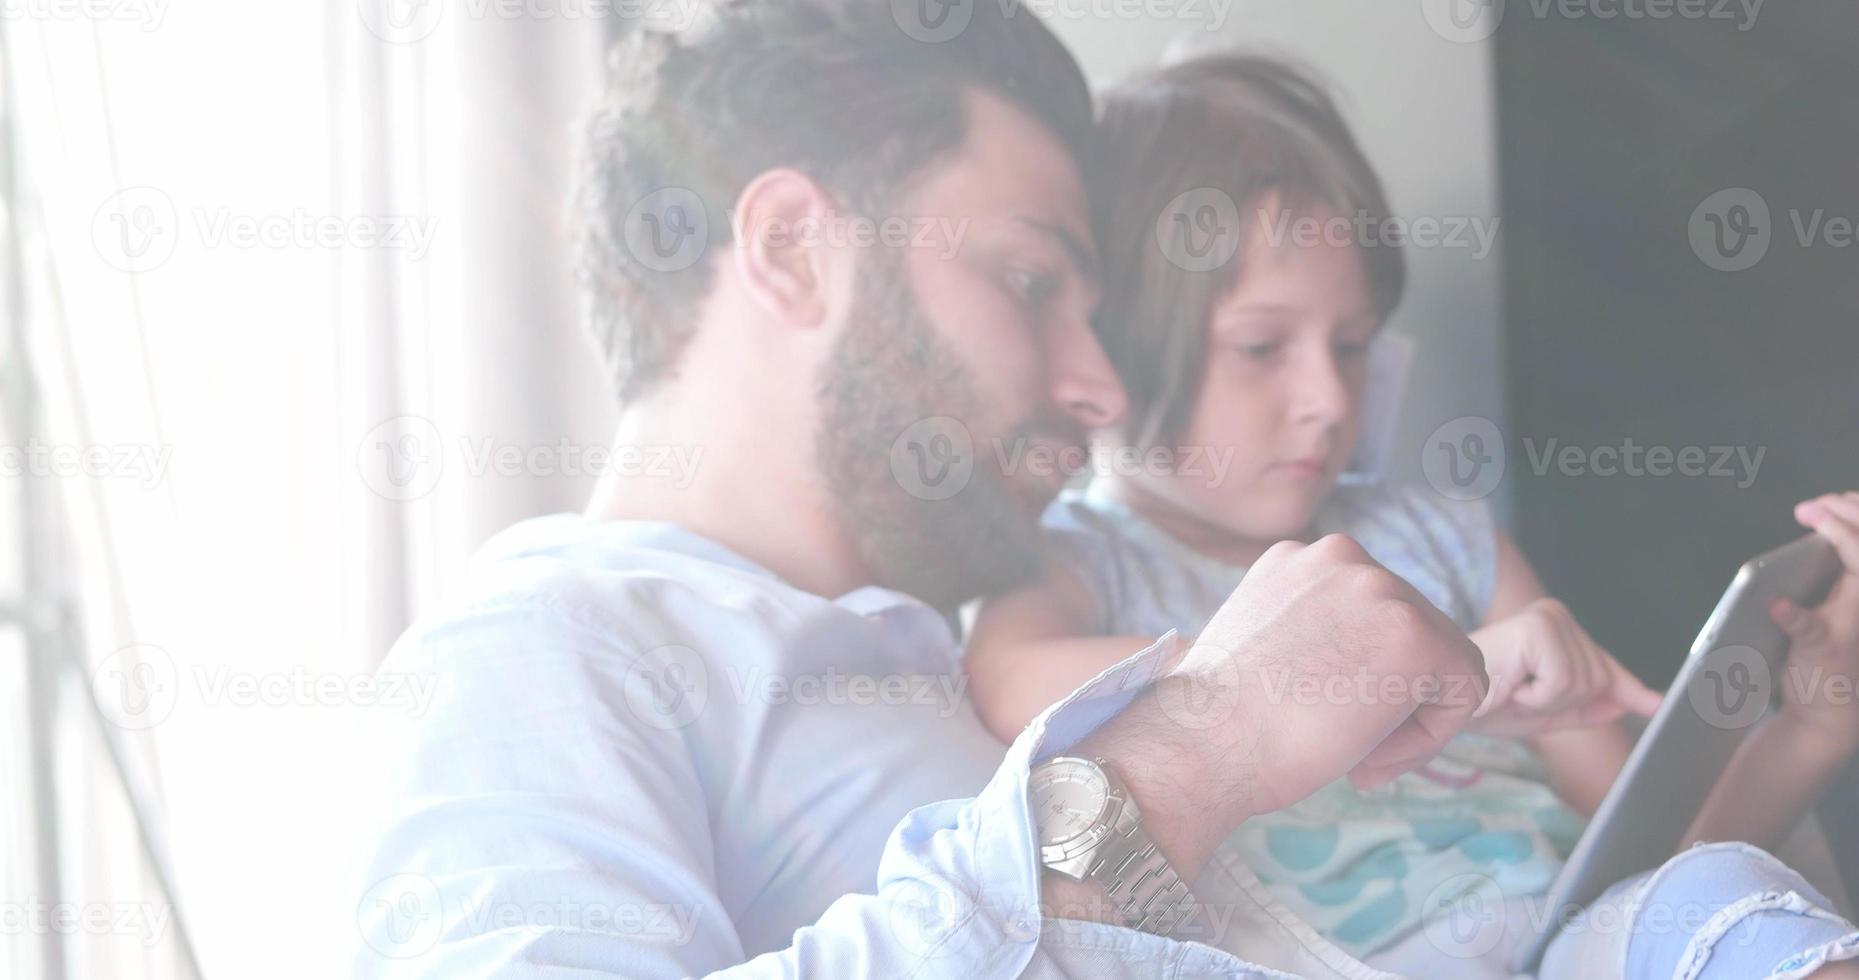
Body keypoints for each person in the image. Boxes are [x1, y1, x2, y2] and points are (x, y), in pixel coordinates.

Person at [350, 4, 1499, 979]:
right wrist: (1199, 746)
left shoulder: (945, 668)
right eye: (1029, 279)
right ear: (793, 247)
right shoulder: (543, 647)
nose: (1099, 389)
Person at [963, 53, 1859, 979]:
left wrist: (1814, 724)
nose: (1324, 397)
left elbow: (1648, 858)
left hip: (1561, 945)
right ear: (1118, 344)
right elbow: (1001, 683)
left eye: (1350, 347)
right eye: (1261, 346)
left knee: (1717, 897)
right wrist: (1336, 663)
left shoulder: (1445, 540)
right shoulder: (1081, 562)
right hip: (1328, 964)